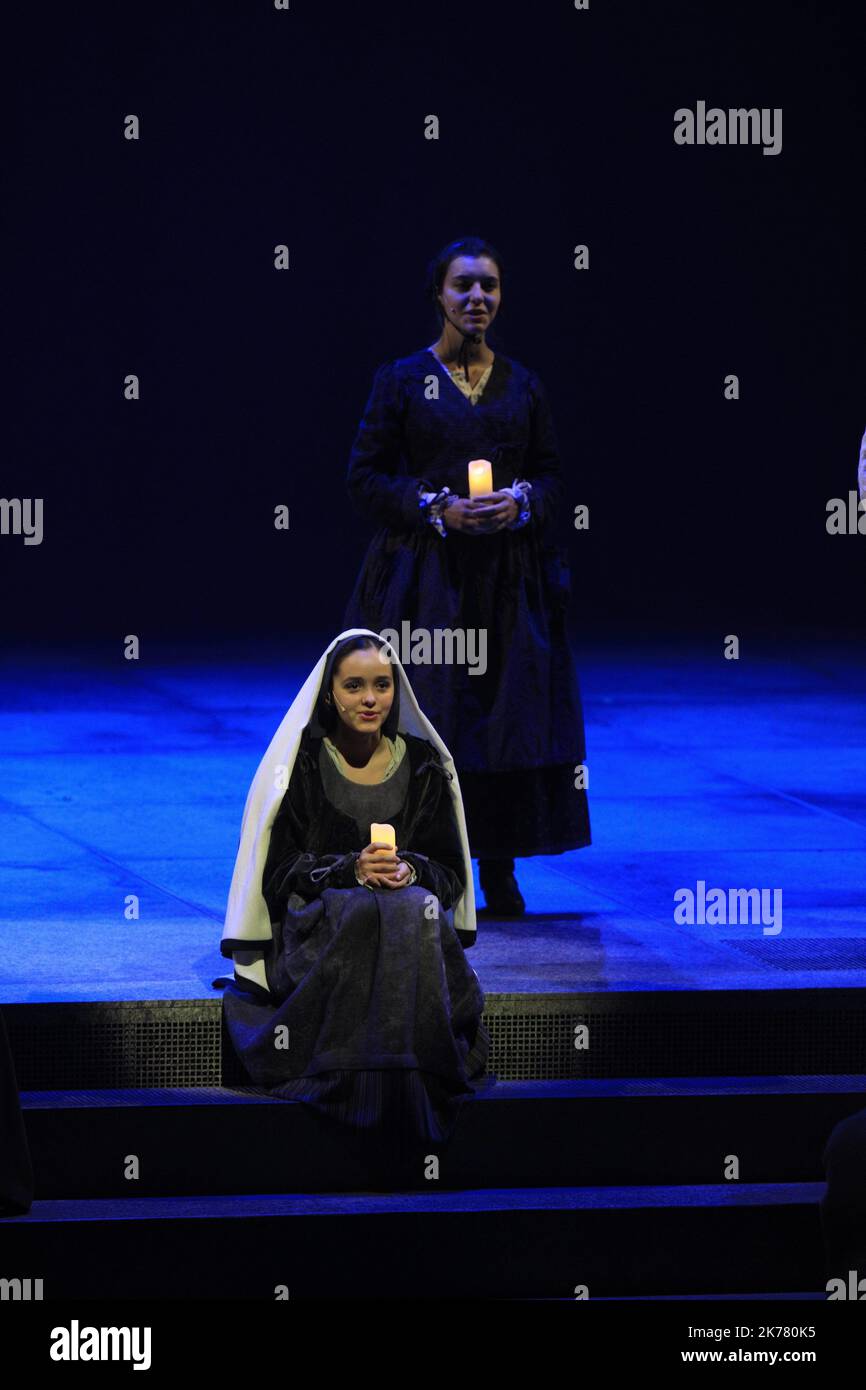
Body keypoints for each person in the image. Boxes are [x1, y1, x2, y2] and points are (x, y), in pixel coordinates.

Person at [342, 235, 591, 916]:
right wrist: (435, 506)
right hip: (428, 584)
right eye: (464, 286)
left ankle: (500, 868)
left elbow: (553, 475)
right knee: (433, 717)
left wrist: (523, 501)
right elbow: (364, 477)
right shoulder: (400, 380)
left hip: (508, 585)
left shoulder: (521, 382)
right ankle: (422, 863)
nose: (478, 297)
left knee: (505, 717)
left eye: (489, 286)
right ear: (439, 295)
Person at [219, 628, 492, 1159]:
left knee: (411, 908)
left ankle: (411, 1082)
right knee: (361, 909)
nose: (370, 699)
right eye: (354, 686)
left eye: (382, 685)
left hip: (408, 925)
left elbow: (452, 875)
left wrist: (408, 870)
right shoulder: (298, 767)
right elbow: (276, 875)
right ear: (330, 694)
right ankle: (349, 1086)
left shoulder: (423, 767)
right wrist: (349, 870)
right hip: (321, 926)